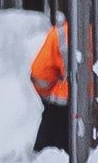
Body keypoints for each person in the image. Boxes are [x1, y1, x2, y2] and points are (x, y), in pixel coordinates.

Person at [30, 20, 73, 155]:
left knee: (49, 157)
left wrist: (49, 92)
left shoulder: (61, 34)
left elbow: (40, 74)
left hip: (62, 107)